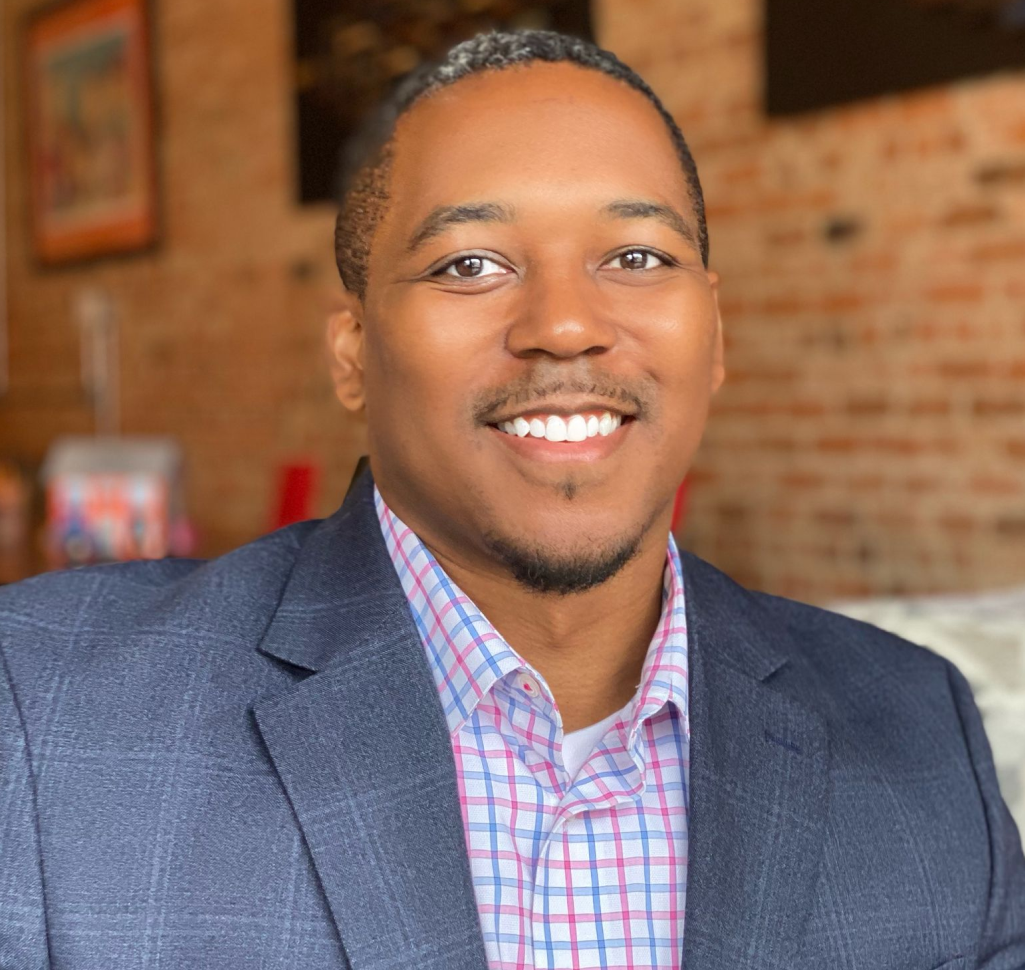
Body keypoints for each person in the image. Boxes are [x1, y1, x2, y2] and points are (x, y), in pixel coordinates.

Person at [1, 29, 1023, 970]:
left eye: (634, 257)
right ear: (352, 354)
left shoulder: (918, 729)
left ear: (714, 335)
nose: (566, 325)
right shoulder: (48, 718)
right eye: (471, 264)